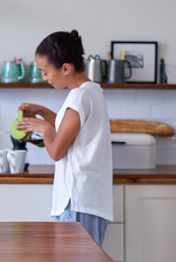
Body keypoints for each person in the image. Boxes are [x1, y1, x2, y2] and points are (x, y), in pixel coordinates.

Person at [16, 30, 113, 246]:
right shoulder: (91, 91)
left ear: (66, 68)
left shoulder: (78, 97)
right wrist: (41, 111)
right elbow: (70, 126)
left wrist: (44, 128)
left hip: (77, 198)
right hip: (88, 198)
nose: (44, 78)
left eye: (45, 72)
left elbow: (57, 151)